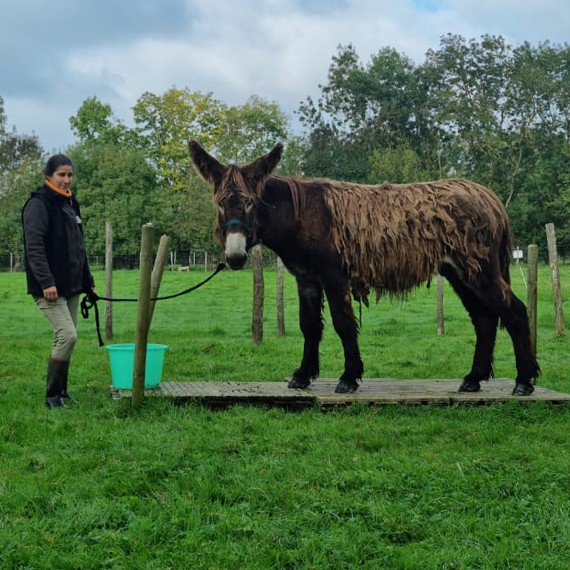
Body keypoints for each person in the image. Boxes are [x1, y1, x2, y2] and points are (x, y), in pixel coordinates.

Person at [22, 154, 95, 408]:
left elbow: (79, 246)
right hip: (49, 286)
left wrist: (88, 280)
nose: (66, 180)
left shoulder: (70, 203)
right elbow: (35, 248)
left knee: (65, 338)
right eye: (61, 175)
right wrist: (46, 282)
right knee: (67, 335)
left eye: (69, 175)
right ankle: (52, 396)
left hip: (71, 284)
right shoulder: (38, 204)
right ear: (49, 176)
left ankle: (62, 392)